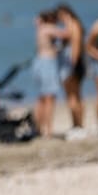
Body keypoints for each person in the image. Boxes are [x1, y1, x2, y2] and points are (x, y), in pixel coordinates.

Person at [33, 9, 66, 139]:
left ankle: (38, 128)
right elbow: (66, 34)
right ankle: (48, 130)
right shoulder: (48, 28)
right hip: (47, 64)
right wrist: (69, 22)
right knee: (49, 98)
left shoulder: (41, 29)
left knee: (41, 98)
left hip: (39, 62)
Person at [55, 4, 86, 134]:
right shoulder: (74, 25)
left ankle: (78, 125)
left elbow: (76, 46)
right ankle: (77, 124)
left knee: (72, 97)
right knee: (75, 96)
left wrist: (72, 65)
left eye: (60, 16)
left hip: (72, 66)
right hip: (73, 65)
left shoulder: (73, 25)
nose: (60, 19)